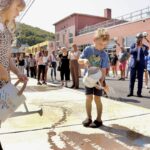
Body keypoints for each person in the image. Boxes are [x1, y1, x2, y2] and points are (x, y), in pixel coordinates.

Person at [0, 0, 27, 148]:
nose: (17, 14)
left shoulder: (6, 30)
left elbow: (7, 58)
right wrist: (4, 75)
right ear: (6, 3)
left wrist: (17, 72)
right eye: (17, 8)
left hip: (2, 83)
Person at [78, 28, 110, 128]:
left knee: (97, 99)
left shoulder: (104, 54)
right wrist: (83, 61)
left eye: (105, 45)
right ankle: (88, 117)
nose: (102, 47)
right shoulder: (88, 49)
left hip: (98, 80)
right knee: (88, 98)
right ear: (94, 40)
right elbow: (79, 60)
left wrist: (101, 82)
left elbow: (104, 70)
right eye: (101, 44)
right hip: (88, 80)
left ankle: (99, 119)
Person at [127, 33, 149, 97]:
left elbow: (146, 54)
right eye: (138, 37)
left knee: (140, 79)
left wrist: (142, 47)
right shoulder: (133, 45)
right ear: (136, 38)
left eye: (140, 37)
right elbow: (130, 52)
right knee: (132, 78)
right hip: (133, 64)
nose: (139, 39)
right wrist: (136, 48)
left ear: (142, 38)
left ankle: (139, 93)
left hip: (140, 64)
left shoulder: (145, 46)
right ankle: (131, 92)